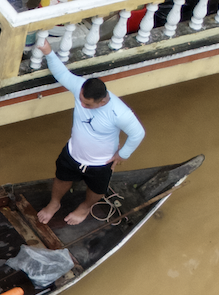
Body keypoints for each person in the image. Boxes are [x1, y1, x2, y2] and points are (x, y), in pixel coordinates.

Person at [37, 49, 144, 227]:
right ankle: (54, 203)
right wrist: (48, 52)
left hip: (101, 162)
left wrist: (123, 154)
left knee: (97, 189)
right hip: (73, 153)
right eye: (80, 101)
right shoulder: (80, 87)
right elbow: (61, 73)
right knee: (61, 178)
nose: (82, 105)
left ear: (102, 102)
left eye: (87, 104)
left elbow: (137, 133)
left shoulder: (120, 113)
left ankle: (85, 207)